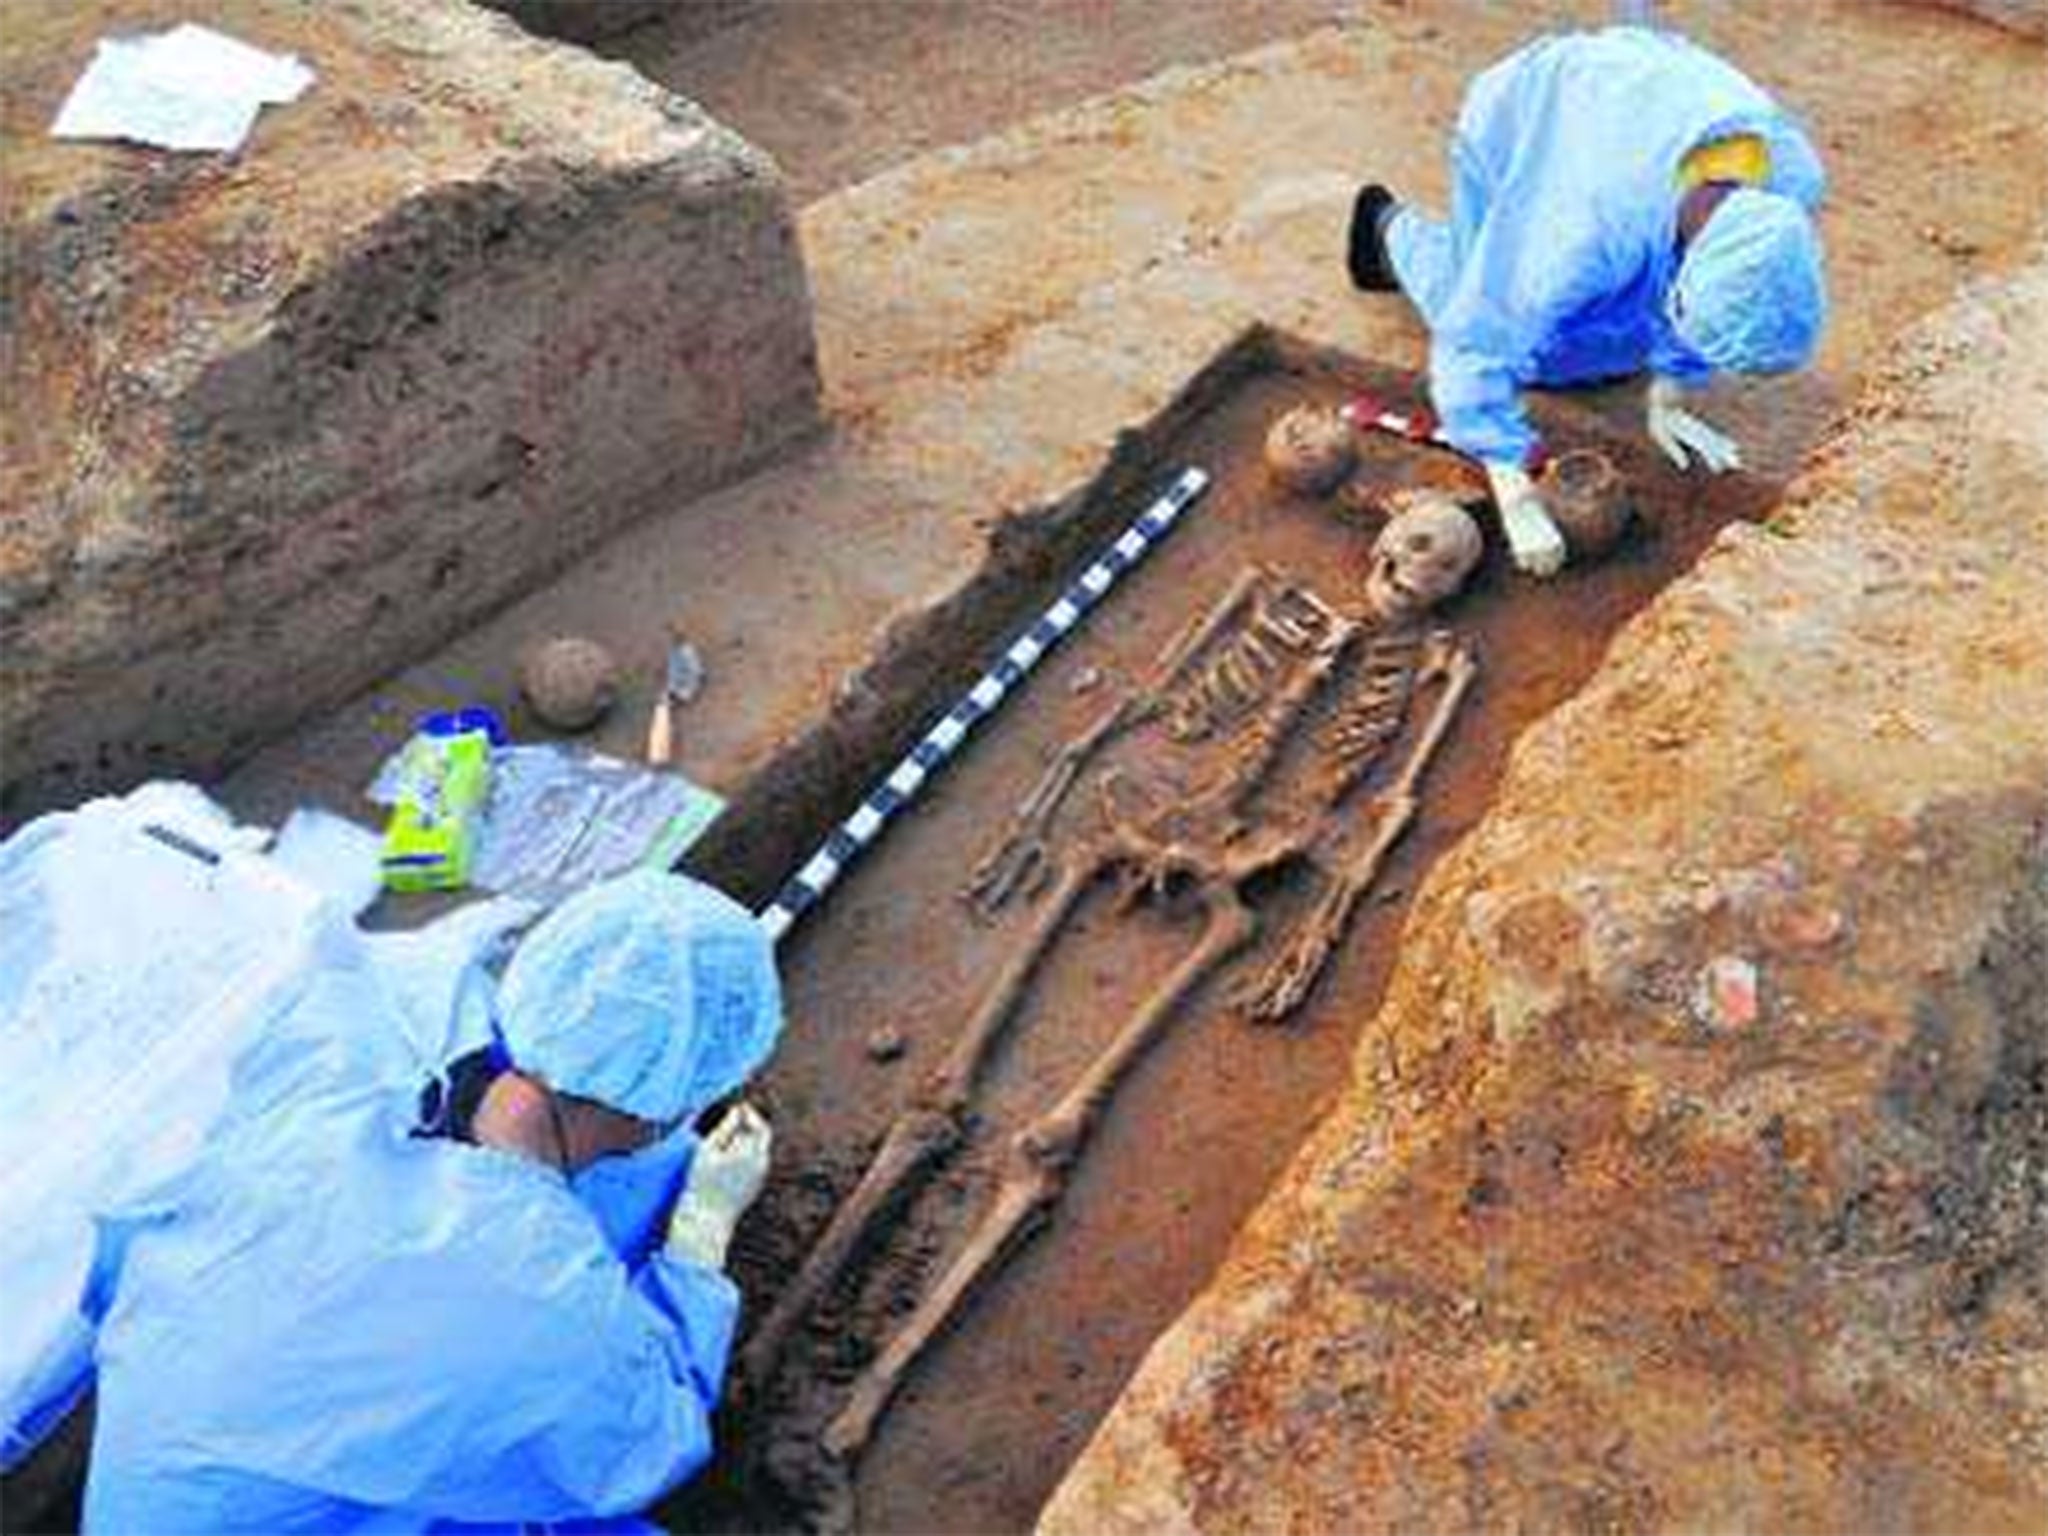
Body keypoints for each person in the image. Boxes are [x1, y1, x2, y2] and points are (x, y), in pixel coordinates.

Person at [79, 870, 784, 1534]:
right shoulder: (540, 1302)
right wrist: (698, 1240)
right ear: (666, 1107)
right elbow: (646, 1441)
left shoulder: (352, 1017)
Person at [1348, 25, 1827, 576]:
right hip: (1525, 112)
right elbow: (1474, 343)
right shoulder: (1574, 242)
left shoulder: (1787, 187)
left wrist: (1666, 398)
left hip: (1643, 94)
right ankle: (1384, 230)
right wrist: (1516, 497)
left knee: (1617, 340)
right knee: (1514, 323)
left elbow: (1724, 288)